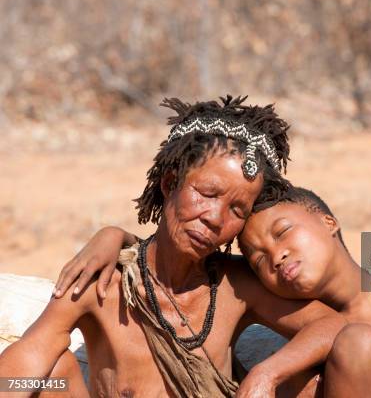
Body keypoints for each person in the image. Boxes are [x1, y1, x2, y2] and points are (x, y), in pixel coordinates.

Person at [0, 96, 346, 398]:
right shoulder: (101, 281)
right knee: (52, 374)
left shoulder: (234, 286)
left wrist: (265, 374)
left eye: (237, 210)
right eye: (207, 194)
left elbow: (333, 326)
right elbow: (28, 357)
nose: (214, 217)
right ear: (169, 184)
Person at [54, 186, 371, 397]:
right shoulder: (283, 311)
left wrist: (266, 373)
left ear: (329, 222)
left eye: (284, 233)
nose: (277, 257)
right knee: (358, 344)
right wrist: (115, 235)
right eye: (259, 258)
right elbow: (175, 257)